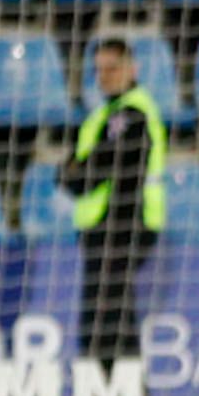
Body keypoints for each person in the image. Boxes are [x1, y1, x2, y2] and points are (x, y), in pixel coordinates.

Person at [60, 40, 166, 370]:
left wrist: (78, 170)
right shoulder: (104, 115)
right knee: (110, 315)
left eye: (112, 68)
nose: (104, 77)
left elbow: (94, 169)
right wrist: (76, 171)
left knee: (106, 317)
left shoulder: (131, 113)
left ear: (132, 69)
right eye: (99, 70)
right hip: (103, 227)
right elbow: (75, 172)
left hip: (124, 224)